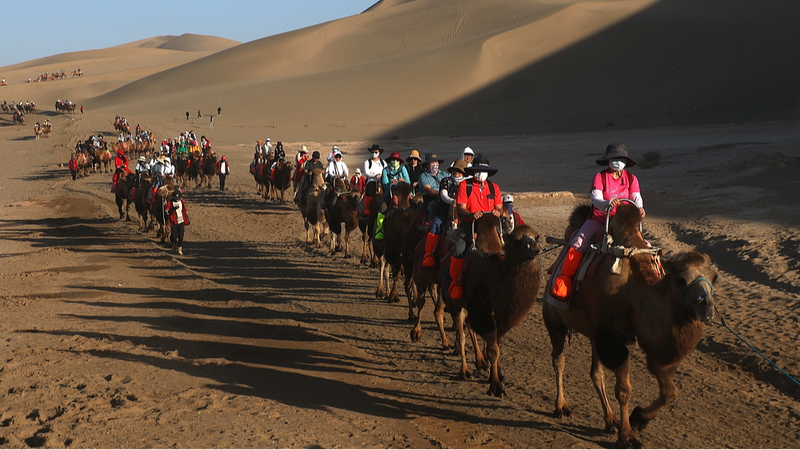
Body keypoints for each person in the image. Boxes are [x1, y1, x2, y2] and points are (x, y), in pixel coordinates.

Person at [551, 143, 645, 300]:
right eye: (614, 158)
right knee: (579, 242)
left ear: (625, 161)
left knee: (645, 246)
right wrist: (607, 204)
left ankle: (654, 278)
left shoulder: (631, 179)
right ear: (608, 160)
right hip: (599, 220)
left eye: (620, 159)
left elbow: (636, 198)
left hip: (624, 224)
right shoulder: (600, 177)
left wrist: (640, 208)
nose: (617, 162)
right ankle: (564, 281)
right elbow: (596, 199)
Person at [448, 156, 503, 300]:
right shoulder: (465, 185)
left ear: (488, 172)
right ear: (473, 171)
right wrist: (472, 215)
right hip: (470, 223)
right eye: (478, 170)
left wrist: (498, 212)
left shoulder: (494, 187)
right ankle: (456, 282)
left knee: (507, 246)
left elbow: (499, 207)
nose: (480, 173)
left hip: (490, 225)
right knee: (459, 247)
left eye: (483, 170)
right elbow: (461, 208)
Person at [421, 159, 468, 267]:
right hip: (444, 212)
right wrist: (451, 201)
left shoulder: (467, 184)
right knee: (435, 225)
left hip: (463, 214)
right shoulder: (446, 181)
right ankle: (428, 254)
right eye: (455, 170)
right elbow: (443, 194)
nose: (456, 172)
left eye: (459, 171)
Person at [375, 152, 411, 240]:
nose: (394, 161)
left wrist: (401, 181)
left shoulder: (403, 169)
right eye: (393, 160)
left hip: (404, 193)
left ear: (399, 161)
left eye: (396, 160)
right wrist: (393, 183)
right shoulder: (385, 170)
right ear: (390, 161)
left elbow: (408, 182)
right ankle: (380, 230)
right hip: (390, 193)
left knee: (415, 205)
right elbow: (385, 184)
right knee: (383, 209)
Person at [417, 152, 447, 218]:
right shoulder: (423, 176)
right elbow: (427, 190)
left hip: (446, 198)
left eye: (436, 162)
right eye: (432, 162)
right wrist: (441, 194)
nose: (434, 164)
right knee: (432, 211)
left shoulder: (444, 174)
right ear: (427, 165)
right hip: (431, 200)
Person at [361, 144, 386, 217]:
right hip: (371, 180)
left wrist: (381, 176)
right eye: (372, 152)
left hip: (382, 180)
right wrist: (374, 176)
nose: (374, 153)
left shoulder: (383, 163)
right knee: (369, 192)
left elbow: (386, 171)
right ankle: (367, 209)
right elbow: (366, 173)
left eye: (376, 152)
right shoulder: (367, 162)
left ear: (379, 153)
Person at [167, 189, 190, 255]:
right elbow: (167, 211)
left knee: (180, 236)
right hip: (173, 221)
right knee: (174, 236)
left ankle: (179, 249)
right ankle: (174, 245)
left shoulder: (181, 202)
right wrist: (172, 209)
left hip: (181, 221)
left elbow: (185, 210)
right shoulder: (170, 202)